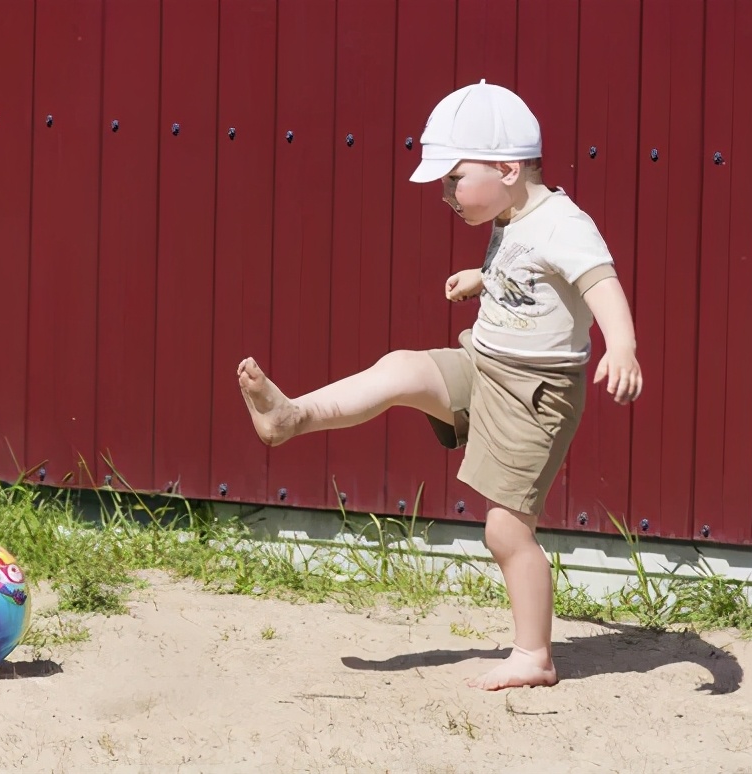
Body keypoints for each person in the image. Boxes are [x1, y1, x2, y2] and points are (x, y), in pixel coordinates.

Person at [236, 80, 642, 690]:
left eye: (454, 180)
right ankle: (291, 416)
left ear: (507, 168)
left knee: (507, 530)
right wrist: (484, 277)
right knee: (400, 366)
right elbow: (531, 267)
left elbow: (598, 282)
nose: (446, 195)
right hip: (483, 362)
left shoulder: (565, 224)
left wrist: (623, 345)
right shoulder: (514, 212)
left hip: (535, 394)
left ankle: (535, 655)